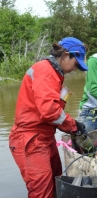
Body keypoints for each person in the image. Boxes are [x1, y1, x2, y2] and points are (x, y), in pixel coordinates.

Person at [8, 37, 88, 198]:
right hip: (30, 139)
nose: (75, 69)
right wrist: (73, 126)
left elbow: (53, 110)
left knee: (56, 183)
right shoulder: (46, 71)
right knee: (41, 192)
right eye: (75, 64)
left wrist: (73, 126)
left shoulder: (55, 74)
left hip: (44, 137)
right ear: (66, 55)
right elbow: (49, 111)